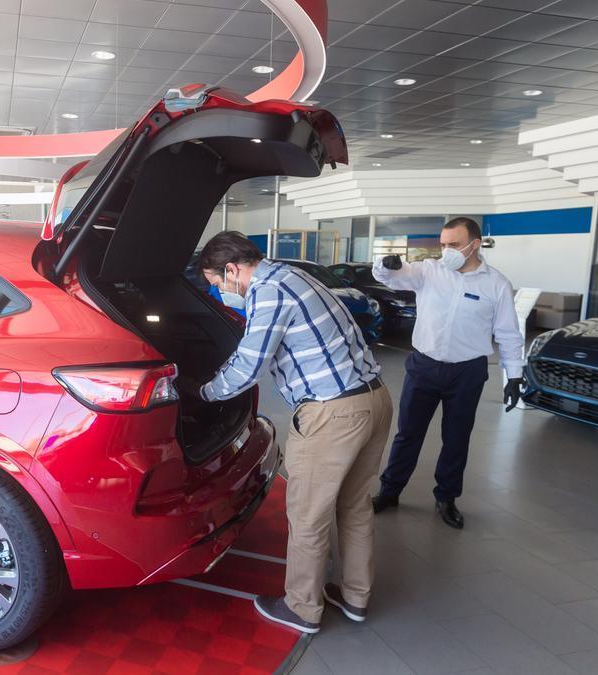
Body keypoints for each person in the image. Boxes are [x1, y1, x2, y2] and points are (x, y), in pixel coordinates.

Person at [196, 231, 393, 634]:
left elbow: (249, 364)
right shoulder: (292, 276)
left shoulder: (268, 292)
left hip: (333, 414)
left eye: (218, 283)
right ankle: (355, 597)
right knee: (354, 507)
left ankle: (302, 607)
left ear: (232, 269)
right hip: (373, 400)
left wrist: (202, 394)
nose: (221, 292)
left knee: (308, 513)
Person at [370, 217, 525, 529]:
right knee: (408, 433)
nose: (446, 251)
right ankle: (390, 490)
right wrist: (385, 264)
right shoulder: (429, 271)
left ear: (475, 244)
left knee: (456, 438)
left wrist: (515, 376)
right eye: (442, 244)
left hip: (467, 372)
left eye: (453, 245)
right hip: (424, 366)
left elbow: (508, 333)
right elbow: (392, 277)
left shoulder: (497, 284)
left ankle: (446, 497)